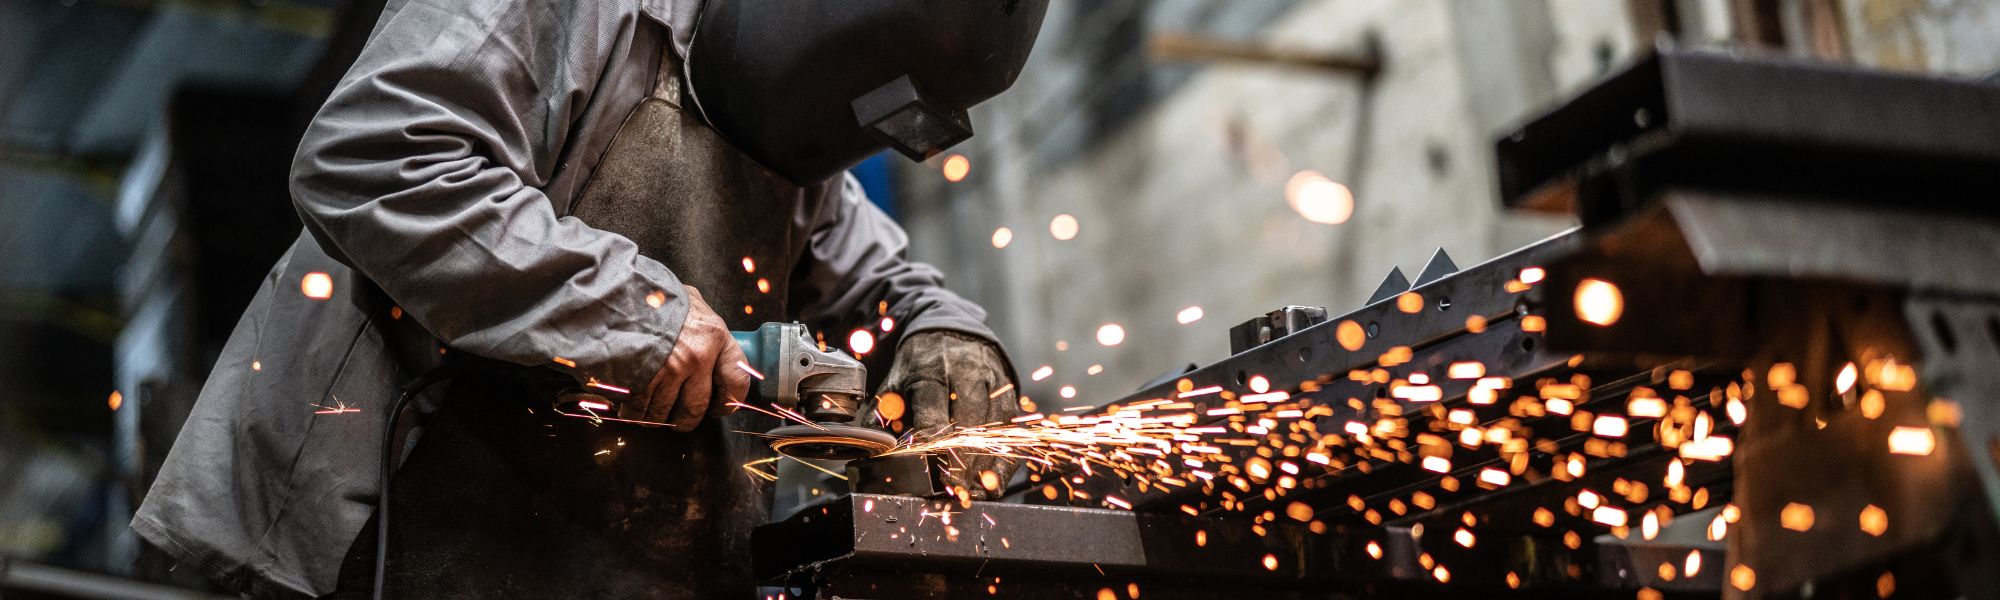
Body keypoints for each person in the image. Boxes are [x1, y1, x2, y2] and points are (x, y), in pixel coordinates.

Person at [130, 0, 1049, 597]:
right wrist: (636, 316)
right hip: (395, 549)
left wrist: (949, 341)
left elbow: (889, 287)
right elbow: (373, 155)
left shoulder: (796, 140)